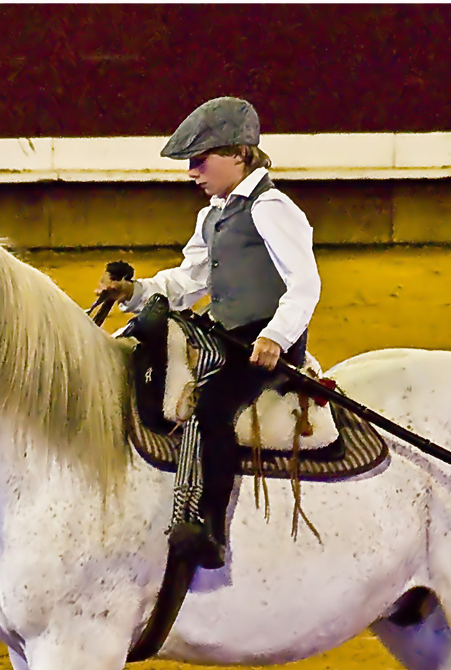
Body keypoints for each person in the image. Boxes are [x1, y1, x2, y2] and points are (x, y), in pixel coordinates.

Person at [94, 96, 322, 569]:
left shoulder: (272, 208)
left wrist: (276, 337)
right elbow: (185, 282)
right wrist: (134, 292)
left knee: (213, 405)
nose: (192, 172)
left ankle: (211, 529)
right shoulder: (213, 215)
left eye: (201, 160)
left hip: (261, 345)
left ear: (239, 154)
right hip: (227, 335)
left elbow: (305, 283)